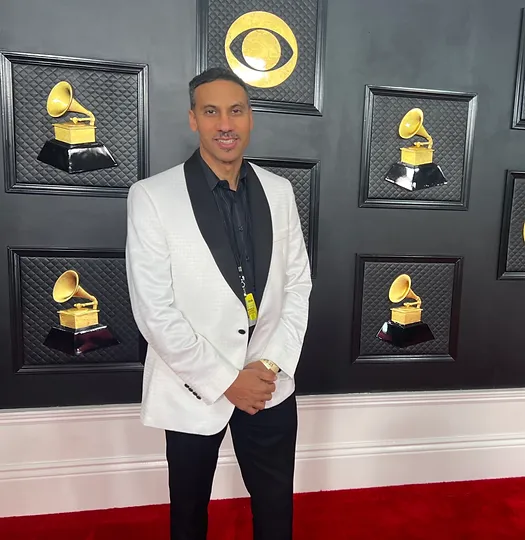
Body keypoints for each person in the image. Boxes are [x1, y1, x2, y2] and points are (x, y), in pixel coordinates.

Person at [125, 66, 312, 540]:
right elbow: (154, 311)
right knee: (187, 517)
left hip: (269, 383)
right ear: (193, 119)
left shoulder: (280, 191)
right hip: (192, 389)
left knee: (275, 512)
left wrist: (268, 366)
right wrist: (226, 381)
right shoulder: (151, 196)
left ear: (250, 118)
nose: (225, 123)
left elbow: (297, 286)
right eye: (211, 111)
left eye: (236, 110)